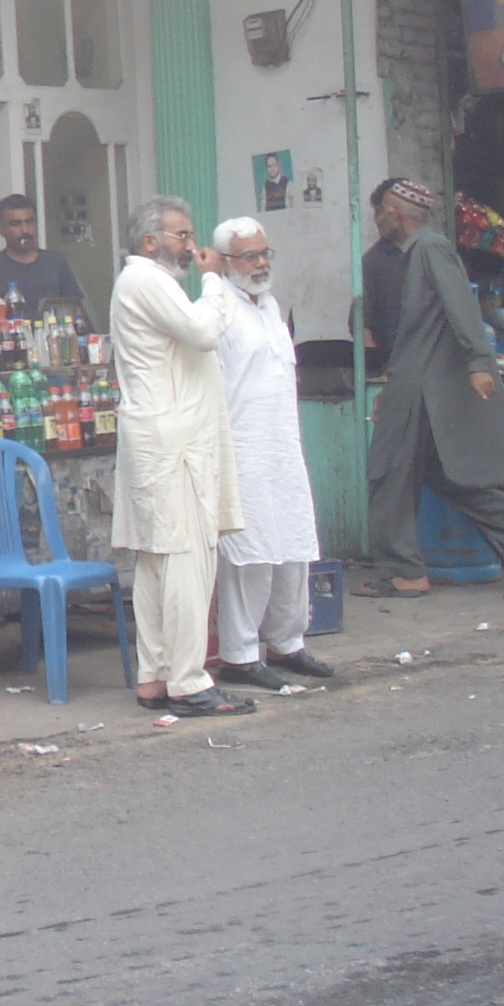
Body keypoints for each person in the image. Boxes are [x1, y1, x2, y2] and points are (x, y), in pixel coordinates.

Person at [356, 178, 504, 600]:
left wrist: (479, 363)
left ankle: (404, 572)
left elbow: (461, 306)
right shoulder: (406, 256)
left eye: (380, 212)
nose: (378, 221)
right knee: (450, 477)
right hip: (411, 383)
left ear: (395, 213)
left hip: (422, 388)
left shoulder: (429, 248)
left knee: (388, 473)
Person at [108, 196, 255, 717]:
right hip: (173, 440)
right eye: (182, 236)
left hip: (161, 436)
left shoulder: (148, 283)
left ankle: (156, 674)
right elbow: (202, 331)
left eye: (192, 237)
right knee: (187, 558)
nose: (192, 247)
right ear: (151, 242)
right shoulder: (146, 280)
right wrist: (214, 281)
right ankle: (189, 681)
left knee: (158, 560)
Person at [207, 218, 332, 688]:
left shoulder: (268, 304)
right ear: (223, 263)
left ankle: (287, 643)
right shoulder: (218, 308)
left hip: (282, 445)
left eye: (264, 254)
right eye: (249, 257)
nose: (260, 264)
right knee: (250, 555)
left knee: (294, 548)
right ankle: (240, 653)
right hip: (241, 448)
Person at [0, 193, 87, 317]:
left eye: (29, 222)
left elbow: (75, 308)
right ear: (0, 229)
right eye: (16, 224)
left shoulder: (55, 261)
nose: (24, 230)